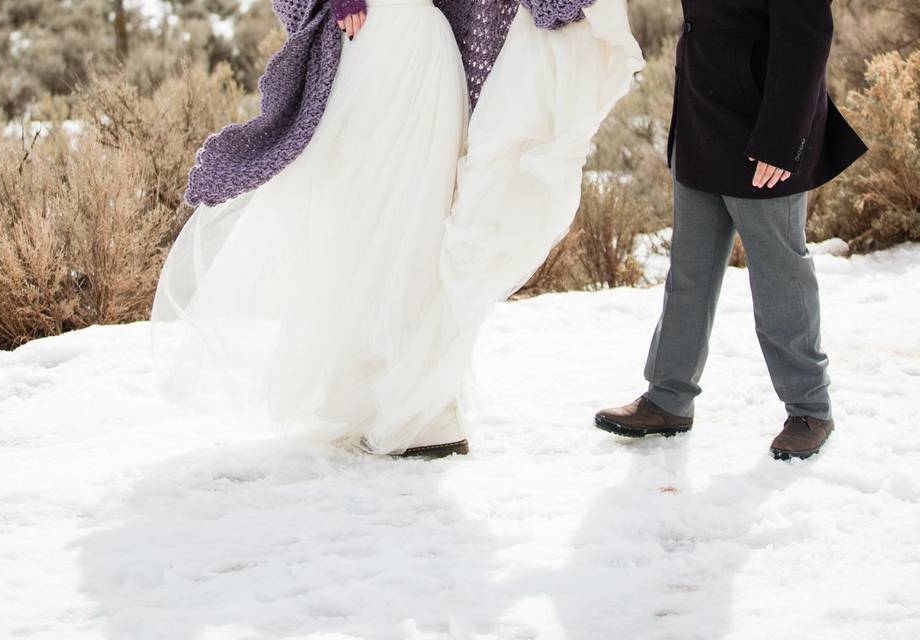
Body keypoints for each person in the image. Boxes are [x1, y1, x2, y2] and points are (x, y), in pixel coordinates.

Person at [151, 0, 644, 457]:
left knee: (415, 226)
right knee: (368, 225)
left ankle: (420, 410)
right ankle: (385, 402)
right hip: (374, 48)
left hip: (421, 54)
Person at [595, 0, 867, 460]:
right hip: (701, 123)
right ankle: (667, 399)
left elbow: (807, 36)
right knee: (689, 273)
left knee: (780, 276)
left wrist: (782, 142)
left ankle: (810, 409)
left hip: (763, 138)